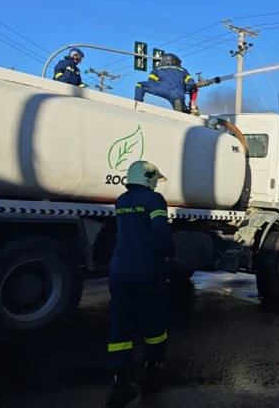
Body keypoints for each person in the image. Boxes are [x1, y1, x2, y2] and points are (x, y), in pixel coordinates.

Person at [106, 160, 176, 407]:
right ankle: (152, 373)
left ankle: (120, 382)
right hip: (147, 271)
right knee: (154, 321)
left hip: (120, 271)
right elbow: (159, 233)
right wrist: (168, 254)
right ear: (149, 179)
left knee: (121, 323)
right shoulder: (155, 201)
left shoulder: (121, 201)